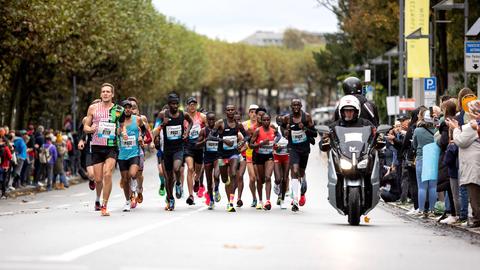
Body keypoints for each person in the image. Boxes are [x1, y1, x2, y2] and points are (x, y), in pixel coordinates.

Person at [83, 83, 125, 216]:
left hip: (112, 146)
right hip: (96, 146)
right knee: (98, 179)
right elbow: (86, 127)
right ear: (100, 94)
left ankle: (104, 205)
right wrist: (91, 129)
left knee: (108, 174)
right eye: (103, 91)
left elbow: (121, 126)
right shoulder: (93, 108)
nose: (105, 93)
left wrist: (122, 132)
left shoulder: (119, 110)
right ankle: (98, 198)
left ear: (112, 94)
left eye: (108, 91)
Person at [157, 93, 193, 211]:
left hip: (178, 148)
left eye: (177, 103)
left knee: (177, 169)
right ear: (168, 105)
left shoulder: (183, 114)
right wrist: (163, 124)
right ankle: (170, 198)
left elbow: (191, 122)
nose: (175, 106)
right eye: (173, 104)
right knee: (168, 178)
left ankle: (178, 183)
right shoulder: (163, 114)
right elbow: (156, 129)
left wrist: (186, 132)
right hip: (166, 150)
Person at [447, 99, 480, 228]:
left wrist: (455, 129)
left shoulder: (472, 126)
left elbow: (460, 141)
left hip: (472, 163)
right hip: (474, 162)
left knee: (474, 192)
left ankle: (477, 219)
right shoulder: (472, 125)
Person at [209, 104, 247, 212]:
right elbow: (210, 136)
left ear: (235, 111)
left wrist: (242, 142)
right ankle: (227, 186)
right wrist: (223, 140)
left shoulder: (238, 124)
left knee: (234, 174)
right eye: (228, 110)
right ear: (226, 112)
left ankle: (230, 202)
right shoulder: (220, 123)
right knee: (225, 179)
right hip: (221, 155)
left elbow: (247, 136)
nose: (230, 111)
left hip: (233, 154)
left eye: (232, 110)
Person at [281, 99, 317, 211]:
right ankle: (295, 200)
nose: (296, 106)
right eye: (294, 105)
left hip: (304, 148)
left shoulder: (307, 117)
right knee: (294, 170)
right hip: (293, 148)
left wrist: (304, 128)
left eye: (298, 105)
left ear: (301, 106)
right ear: (291, 107)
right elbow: (282, 128)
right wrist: (285, 132)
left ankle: (303, 181)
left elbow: (315, 133)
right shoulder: (287, 118)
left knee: (301, 172)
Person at [118, 100, 146, 212]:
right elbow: (116, 132)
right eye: (125, 107)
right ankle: (127, 201)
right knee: (125, 180)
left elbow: (143, 129)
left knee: (133, 173)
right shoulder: (119, 121)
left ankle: (134, 184)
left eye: (129, 107)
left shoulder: (137, 119)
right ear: (122, 109)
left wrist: (141, 137)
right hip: (122, 154)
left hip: (134, 152)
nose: (128, 109)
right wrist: (120, 132)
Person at [250, 113, 279, 210]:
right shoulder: (258, 131)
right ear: (261, 121)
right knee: (260, 180)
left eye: (268, 120)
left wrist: (276, 145)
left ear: (270, 120)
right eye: (264, 120)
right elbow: (251, 145)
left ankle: (267, 201)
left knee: (268, 177)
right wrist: (261, 144)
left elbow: (277, 142)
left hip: (269, 156)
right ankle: (260, 201)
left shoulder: (273, 131)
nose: (266, 122)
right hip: (258, 157)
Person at [128, 96, 152, 204]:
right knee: (130, 174)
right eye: (129, 107)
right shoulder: (123, 119)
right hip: (127, 150)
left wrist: (145, 140)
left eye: (134, 108)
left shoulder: (142, 119)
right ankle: (131, 194)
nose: (132, 110)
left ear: (138, 109)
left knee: (138, 174)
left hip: (139, 150)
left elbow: (148, 135)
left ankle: (139, 190)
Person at [412, 108, 437, 217]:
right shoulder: (437, 130)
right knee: (433, 186)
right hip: (433, 158)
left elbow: (414, 145)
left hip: (421, 157)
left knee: (421, 187)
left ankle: (421, 209)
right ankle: (432, 210)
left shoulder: (417, 130)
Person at [184, 97, 207, 205]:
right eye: (190, 104)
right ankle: (191, 195)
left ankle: (197, 180)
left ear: (196, 106)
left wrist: (205, 138)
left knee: (198, 170)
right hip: (188, 146)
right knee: (190, 168)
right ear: (187, 106)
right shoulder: (184, 117)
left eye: (194, 104)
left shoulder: (202, 116)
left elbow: (209, 128)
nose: (192, 106)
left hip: (199, 146)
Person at [196, 112, 221, 209]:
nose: (211, 121)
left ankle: (217, 189)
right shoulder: (203, 131)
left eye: (212, 120)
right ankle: (211, 200)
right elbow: (197, 145)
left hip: (217, 156)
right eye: (209, 120)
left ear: (215, 120)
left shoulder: (219, 130)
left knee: (216, 175)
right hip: (207, 157)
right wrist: (205, 140)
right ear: (206, 120)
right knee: (209, 181)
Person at [242, 104, 259, 207]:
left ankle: (262, 198)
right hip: (248, 154)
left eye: (255, 112)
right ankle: (254, 198)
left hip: (260, 154)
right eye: (251, 112)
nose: (253, 114)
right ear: (248, 113)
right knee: (252, 178)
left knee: (259, 179)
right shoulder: (244, 125)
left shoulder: (262, 124)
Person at [273, 115, 290, 209]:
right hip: (277, 156)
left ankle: (282, 198)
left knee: (285, 178)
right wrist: (276, 146)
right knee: (278, 179)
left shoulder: (289, 129)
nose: (280, 122)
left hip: (287, 156)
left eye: (282, 121)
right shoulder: (276, 130)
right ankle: (276, 184)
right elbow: (272, 142)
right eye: (278, 121)